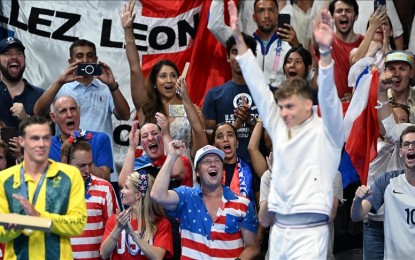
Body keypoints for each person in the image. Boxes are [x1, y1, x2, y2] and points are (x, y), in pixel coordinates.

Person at [229, 1, 344, 258]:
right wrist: (238, 38)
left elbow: (329, 100)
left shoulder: (328, 134)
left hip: (311, 234)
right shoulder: (281, 130)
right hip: (279, 232)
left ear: (307, 105)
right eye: (281, 107)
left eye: (290, 106)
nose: (283, 112)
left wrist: (325, 55)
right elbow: (260, 89)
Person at [120, 1, 206, 163]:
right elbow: (135, 69)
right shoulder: (146, 107)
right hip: (152, 172)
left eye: (173, 75)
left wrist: (187, 102)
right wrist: (128, 31)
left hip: (184, 174)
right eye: (163, 76)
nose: (169, 80)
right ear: (154, 83)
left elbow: (200, 148)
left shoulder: (191, 109)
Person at [151, 143, 259, 259]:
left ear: (222, 169)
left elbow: (252, 247)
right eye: (207, 161)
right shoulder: (186, 197)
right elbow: (157, 195)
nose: (213, 164)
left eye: (217, 161)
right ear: (197, 172)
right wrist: (172, 156)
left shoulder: (243, 203)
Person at [0, 116, 87, 259]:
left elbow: (78, 224)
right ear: (22, 141)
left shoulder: (70, 175)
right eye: (35, 138)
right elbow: (1, 234)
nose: (41, 144)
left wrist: (39, 218)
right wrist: (21, 224)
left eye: (46, 138)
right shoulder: (4, 179)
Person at [33, 39, 130, 137]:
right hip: (68, 150)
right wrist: (59, 82)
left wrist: (113, 86)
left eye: (90, 56)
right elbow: (38, 112)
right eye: (79, 56)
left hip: (100, 150)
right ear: (71, 61)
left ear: (96, 60)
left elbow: (125, 116)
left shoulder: (107, 88)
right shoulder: (60, 87)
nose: (85, 60)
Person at [350, 125, 415, 259]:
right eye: (406, 144)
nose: (411, 147)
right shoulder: (387, 181)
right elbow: (357, 215)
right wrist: (357, 201)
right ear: (401, 152)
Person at [208, 0, 300, 88]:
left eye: (271, 10)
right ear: (254, 17)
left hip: (281, 101)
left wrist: (297, 46)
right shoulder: (243, 43)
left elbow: (305, 77)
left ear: (277, 16)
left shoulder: (290, 44)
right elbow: (215, 25)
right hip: (249, 101)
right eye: (261, 11)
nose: (266, 15)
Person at [202, 33, 260, 168]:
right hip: (224, 170)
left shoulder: (267, 94)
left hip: (259, 169)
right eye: (235, 52)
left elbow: (274, 137)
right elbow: (208, 137)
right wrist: (233, 126)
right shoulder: (214, 95)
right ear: (228, 57)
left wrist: (250, 120)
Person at [59, 135, 119, 260]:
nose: (87, 170)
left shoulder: (105, 189)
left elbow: (115, 234)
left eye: (90, 165)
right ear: (64, 162)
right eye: (81, 165)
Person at [100, 171, 174, 260]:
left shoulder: (162, 224)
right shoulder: (116, 220)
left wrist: (133, 234)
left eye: (126, 188)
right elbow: (104, 254)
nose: (122, 191)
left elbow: (157, 257)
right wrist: (118, 228)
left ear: (138, 195)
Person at [49, 95, 114, 181]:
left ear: (79, 111)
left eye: (73, 109)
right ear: (53, 117)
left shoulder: (100, 139)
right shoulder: (47, 145)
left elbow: (105, 179)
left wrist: (84, 161)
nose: (69, 114)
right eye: (63, 111)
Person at [312, 0, 364, 102]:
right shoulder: (326, 41)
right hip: (329, 107)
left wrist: (356, 95)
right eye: (339, 11)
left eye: (348, 11)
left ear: (356, 16)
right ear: (332, 17)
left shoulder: (364, 43)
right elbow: (317, 30)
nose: (343, 13)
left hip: (355, 110)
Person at [0, 37, 44, 129]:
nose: (14, 57)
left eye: (19, 53)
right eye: (8, 53)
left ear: (24, 59)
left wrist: (26, 119)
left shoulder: (39, 95)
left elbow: (49, 134)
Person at [212, 122, 256, 205]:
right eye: (220, 136)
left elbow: (258, 205)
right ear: (214, 145)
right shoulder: (209, 171)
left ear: (237, 143)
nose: (225, 139)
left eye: (230, 135)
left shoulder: (250, 168)